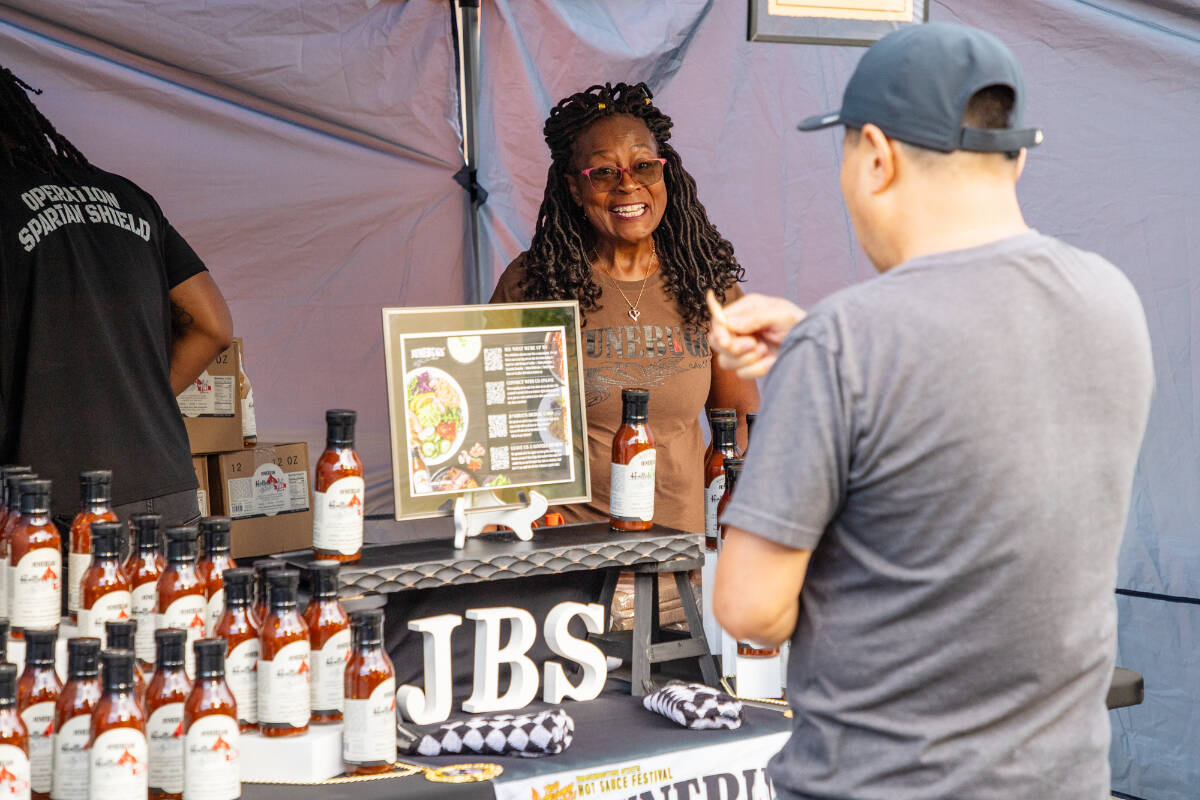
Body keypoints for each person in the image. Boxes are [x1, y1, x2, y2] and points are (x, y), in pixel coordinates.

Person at [710, 23, 1152, 800]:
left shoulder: (847, 347)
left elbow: (751, 610)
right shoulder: (1112, 300)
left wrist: (814, 383)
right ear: (1011, 153)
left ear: (875, 155)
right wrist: (821, 357)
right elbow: (978, 394)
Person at [490, 81, 758, 533]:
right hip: (564, 562)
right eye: (604, 173)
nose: (628, 184)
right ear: (576, 189)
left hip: (679, 558)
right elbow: (495, 427)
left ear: (664, 173)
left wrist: (721, 531)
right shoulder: (533, 285)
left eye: (643, 167)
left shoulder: (707, 284)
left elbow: (736, 430)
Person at [0, 65, 233, 526]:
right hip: (166, 484)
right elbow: (214, 326)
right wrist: (136, 404)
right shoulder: (126, 195)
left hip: (51, 506)